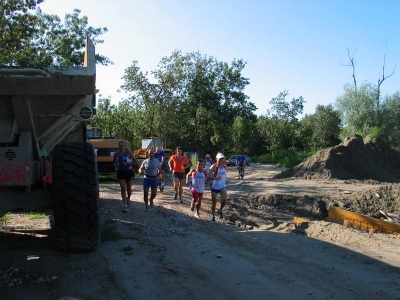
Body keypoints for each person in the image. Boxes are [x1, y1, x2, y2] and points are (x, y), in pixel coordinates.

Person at [113, 140, 136, 213]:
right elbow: (113, 162)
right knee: (123, 189)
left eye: (123, 146)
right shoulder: (116, 154)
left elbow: (135, 161)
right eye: (121, 146)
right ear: (118, 146)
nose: (122, 147)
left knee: (129, 190)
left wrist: (128, 163)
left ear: (125, 146)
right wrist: (115, 167)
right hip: (121, 172)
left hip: (128, 172)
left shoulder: (129, 153)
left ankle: (128, 198)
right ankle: (125, 206)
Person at [207, 152, 228, 221]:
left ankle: (220, 210)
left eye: (222, 159)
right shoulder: (213, 166)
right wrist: (215, 178)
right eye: (220, 159)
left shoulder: (225, 166)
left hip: (222, 185)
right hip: (215, 186)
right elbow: (208, 177)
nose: (221, 160)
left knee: (224, 198)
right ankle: (212, 216)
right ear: (216, 159)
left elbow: (224, 175)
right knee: (214, 202)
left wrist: (226, 180)